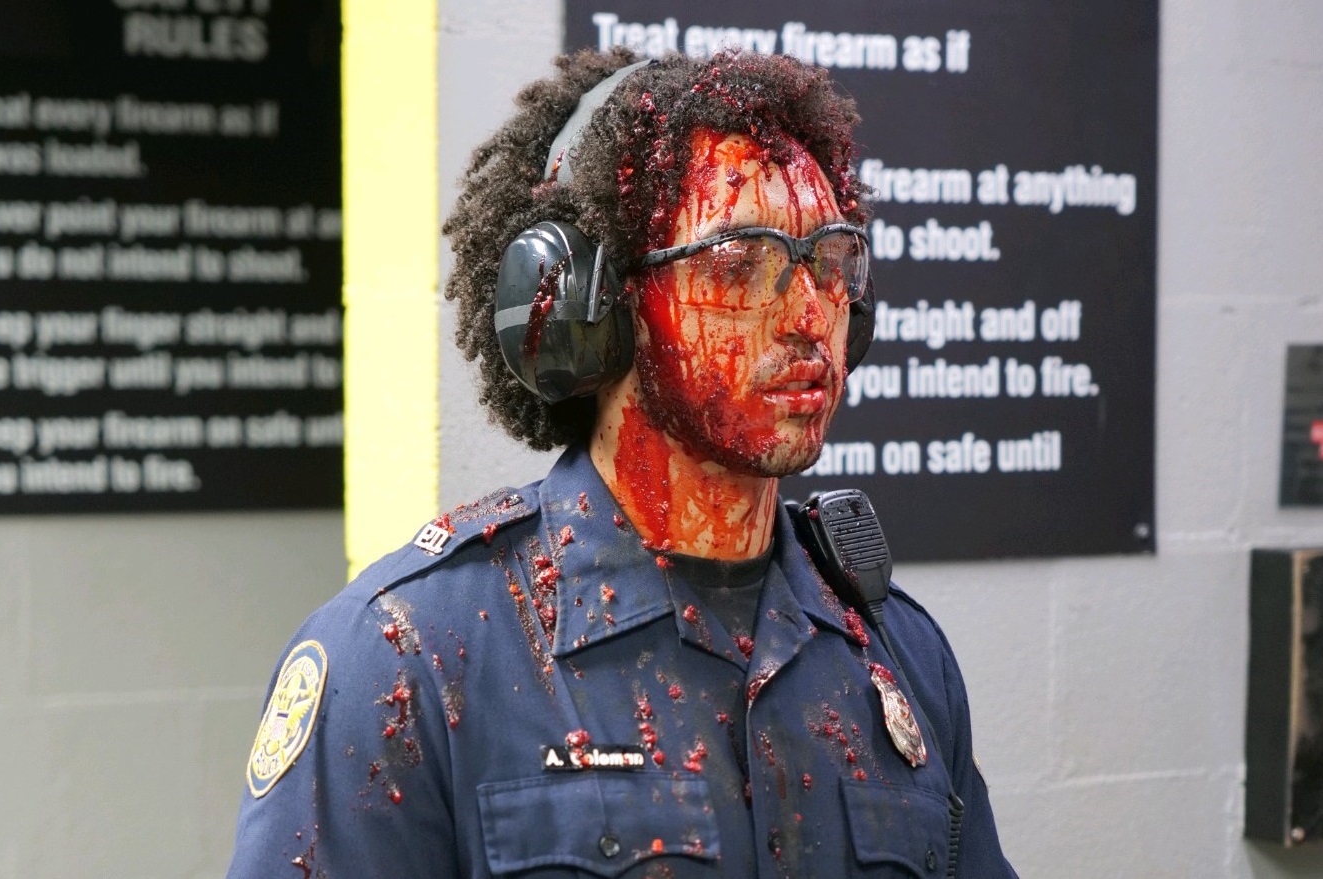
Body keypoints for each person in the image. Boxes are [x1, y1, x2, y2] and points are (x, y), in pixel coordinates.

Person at [228, 48, 1017, 878]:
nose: (808, 315)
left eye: (828, 260)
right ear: (594, 307)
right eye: (737, 262)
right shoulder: (408, 655)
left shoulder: (893, 652)